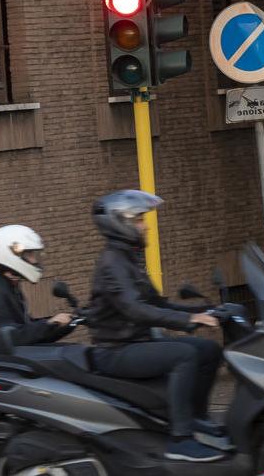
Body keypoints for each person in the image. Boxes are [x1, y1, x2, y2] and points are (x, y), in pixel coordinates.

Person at [81, 190, 228, 462]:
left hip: (136, 342)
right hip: (115, 350)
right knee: (184, 355)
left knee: (208, 350)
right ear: (119, 223)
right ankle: (180, 440)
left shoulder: (128, 259)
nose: (145, 225)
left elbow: (157, 304)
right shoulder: (112, 264)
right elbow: (135, 309)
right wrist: (187, 321)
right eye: (139, 219)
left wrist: (205, 311)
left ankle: (195, 418)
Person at [0, 224, 75, 352]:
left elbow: (23, 329)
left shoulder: (8, 286)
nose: (34, 260)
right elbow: (11, 338)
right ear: (11, 254)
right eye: (29, 254)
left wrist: (59, 325)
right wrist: (48, 324)